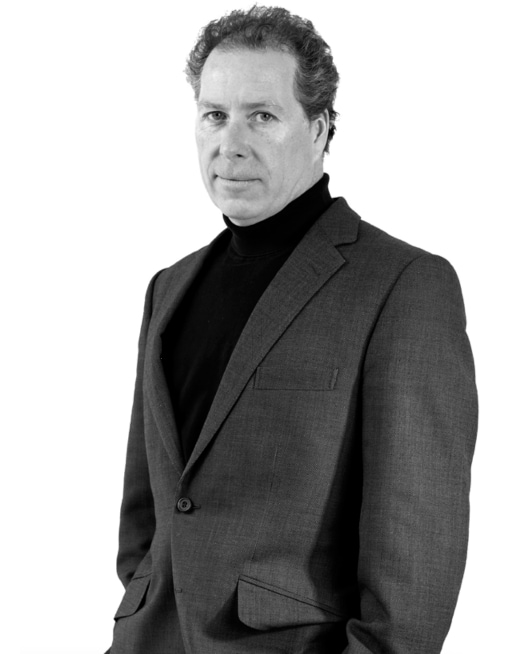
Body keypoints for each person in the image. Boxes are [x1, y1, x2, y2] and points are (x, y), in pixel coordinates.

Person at [106, 6, 478, 653]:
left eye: (262, 116)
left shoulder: (402, 286)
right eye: (214, 115)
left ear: (319, 128)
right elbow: (149, 518)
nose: (231, 143)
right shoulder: (169, 288)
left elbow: (413, 580)